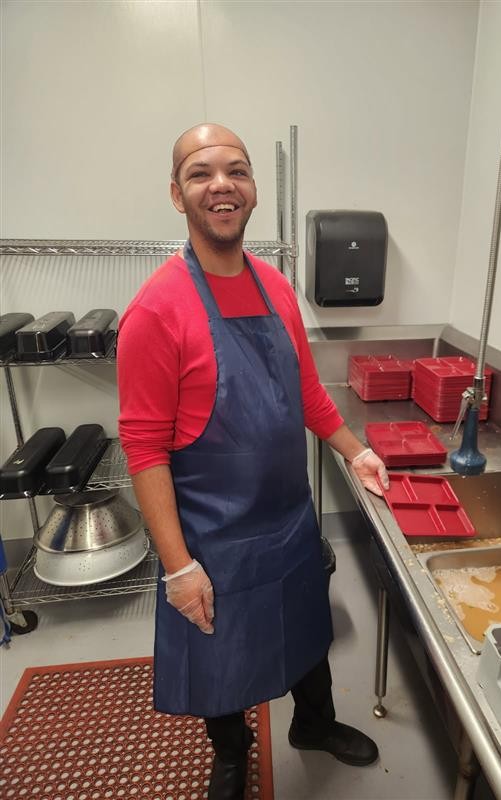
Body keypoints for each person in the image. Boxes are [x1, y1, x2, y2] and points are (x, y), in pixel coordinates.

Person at [117, 122, 390, 800]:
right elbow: (144, 448)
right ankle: (231, 754)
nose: (222, 184)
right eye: (201, 172)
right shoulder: (156, 309)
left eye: (236, 170)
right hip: (212, 537)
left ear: (253, 190)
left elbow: (301, 391)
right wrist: (179, 566)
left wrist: (354, 451)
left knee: (306, 630)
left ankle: (314, 724)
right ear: (177, 195)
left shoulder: (275, 287)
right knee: (220, 655)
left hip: (288, 521)